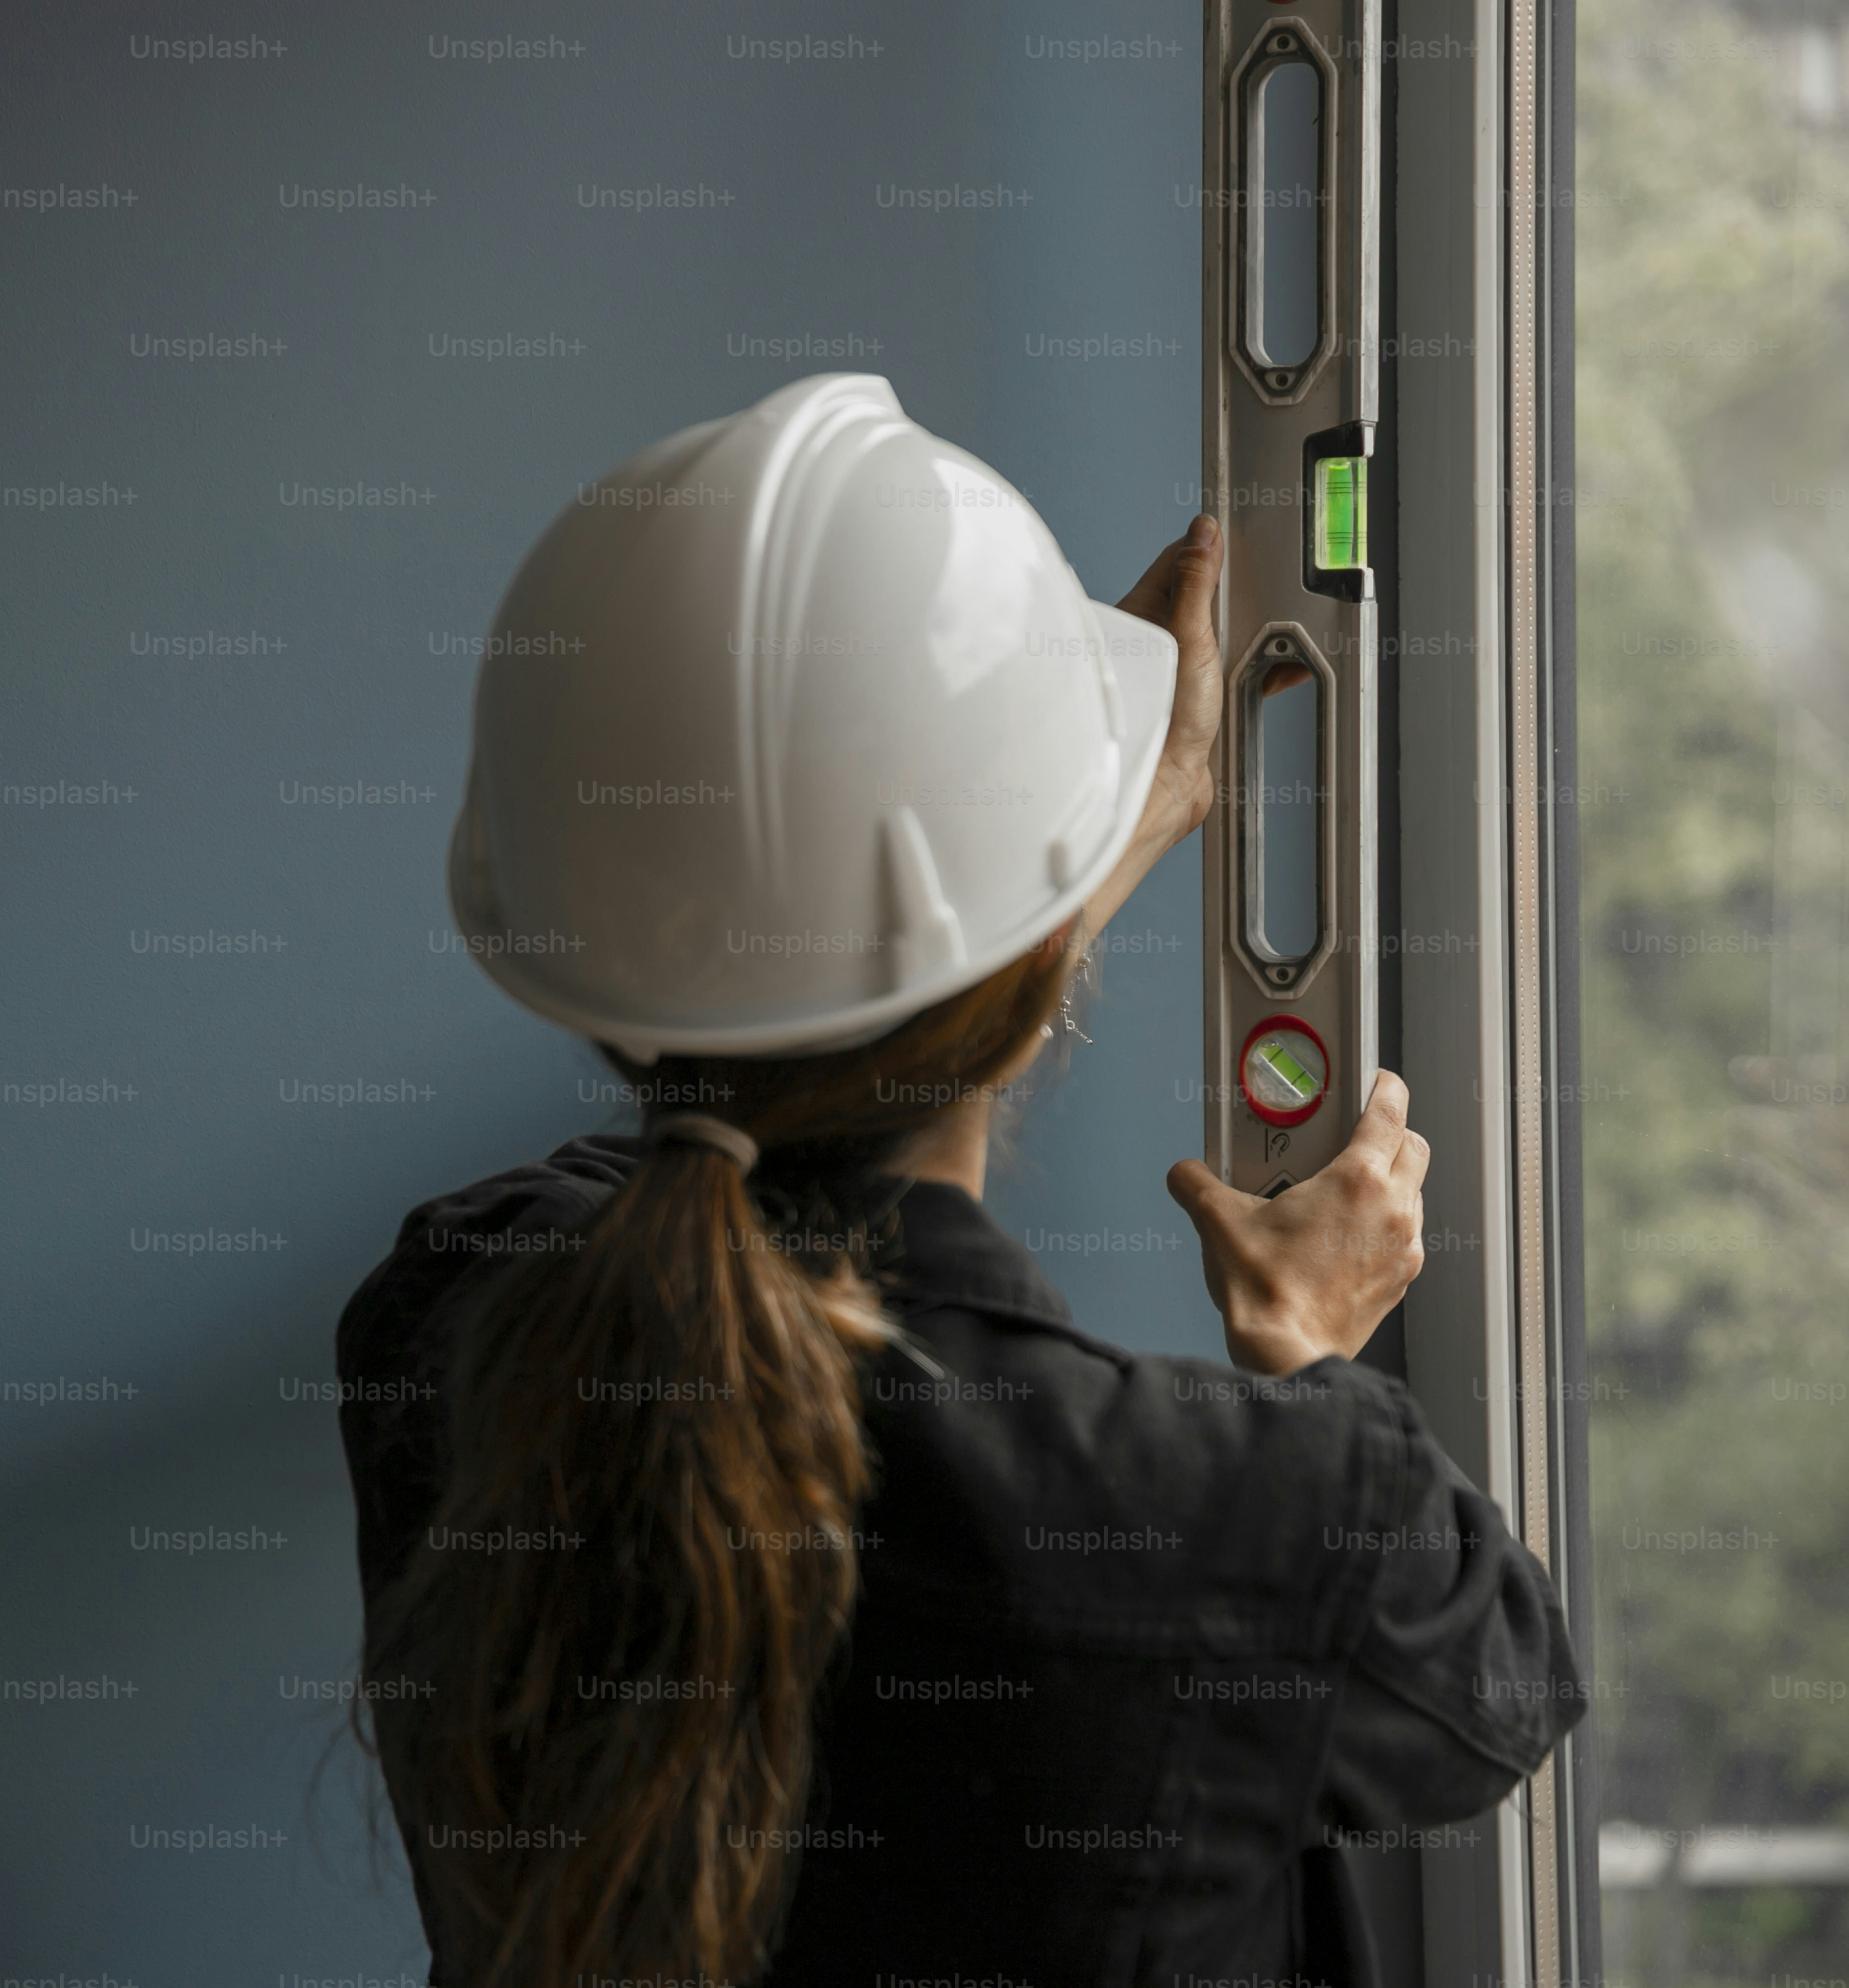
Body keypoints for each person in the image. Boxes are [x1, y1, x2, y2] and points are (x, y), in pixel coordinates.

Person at [333, 376, 1583, 1988]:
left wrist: (1027, 907)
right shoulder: (1232, 1507)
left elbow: (721, 1141)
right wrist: (1300, 1342)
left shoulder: (448, 1324)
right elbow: (1493, 1694)